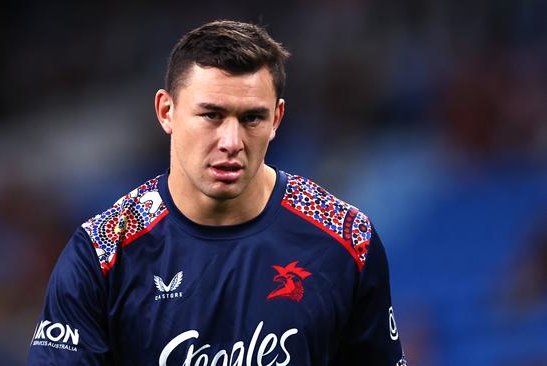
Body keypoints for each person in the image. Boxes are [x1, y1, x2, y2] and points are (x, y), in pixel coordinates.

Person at [27, 20, 406, 366]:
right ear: (166, 111)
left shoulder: (346, 238)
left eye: (251, 118)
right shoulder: (103, 250)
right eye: (212, 115)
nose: (231, 141)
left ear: (276, 119)